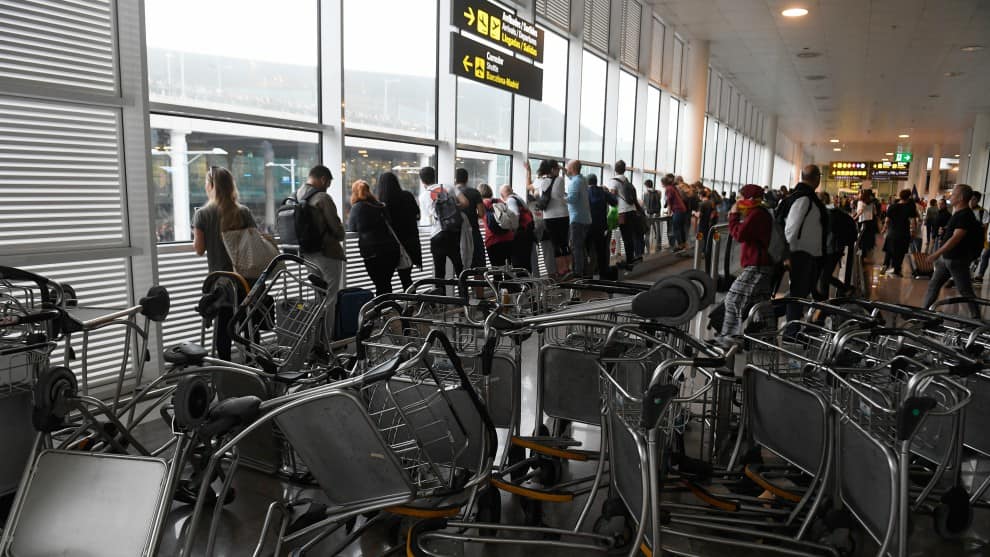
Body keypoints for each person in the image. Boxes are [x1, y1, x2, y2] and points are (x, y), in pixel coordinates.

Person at [193, 166, 259, 360]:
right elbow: (255, 242)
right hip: (246, 280)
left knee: (223, 325)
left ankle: (225, 365)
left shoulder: (202, 214)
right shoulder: (244, 212)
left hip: (221, 284)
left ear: (211, 185)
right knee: (249, 322)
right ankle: (253, 362)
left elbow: (199, 249)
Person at [292, 165, 346, 345]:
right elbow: (338, 230)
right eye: (328, 183)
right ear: (323, 179)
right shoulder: (322, 197)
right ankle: (326, 342)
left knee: (318, 298)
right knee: (330, 299)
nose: (328, 187)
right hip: (328, 254)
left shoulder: (296, 195)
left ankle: (314, 341)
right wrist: (340, 231)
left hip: (307, 255)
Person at [716, 184, 774, 345]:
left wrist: (733, 216)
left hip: (757, 265)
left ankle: (730, 337)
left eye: (741, 197)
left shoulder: (757, 214)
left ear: (750, 198)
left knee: (733, 299)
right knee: (761, 305)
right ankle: (768, 340)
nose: (739, 201)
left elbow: (739, 234)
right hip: (762, 264)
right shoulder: (760, 212)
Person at [778, 165, 828, 340]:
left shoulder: (804, 197)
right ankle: (790, 332)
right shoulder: (804, 200)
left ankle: (790, 327)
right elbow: (790, 230)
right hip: (799, 254)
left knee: (800, 293)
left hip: (805, 254)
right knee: (798, 294)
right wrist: (787, 255)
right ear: (817, 178)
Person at [922, 184, 983, 317]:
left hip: (956, 259)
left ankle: (976, 317)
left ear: (960, 198)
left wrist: (936, 253)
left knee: (965, 290)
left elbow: (956, 238)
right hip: (947, 258)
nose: (951, 196)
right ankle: (924, 312)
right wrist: (944, 231)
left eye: (954, 194)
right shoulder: (958, 213)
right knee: (934, 284)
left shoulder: (965, 215)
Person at [347, 180, 399, 296]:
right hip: (391, 249)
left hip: (373, 252)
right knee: (385, 283)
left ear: (354, 193)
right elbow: (389, 222)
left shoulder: (357, 207)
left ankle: (383, 306)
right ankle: (388, 305)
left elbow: (352, 227)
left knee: (380, 284)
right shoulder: (381, 206)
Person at [376, 171, 421, 290]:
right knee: (406, 278)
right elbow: (417, 215)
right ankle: (411, 301)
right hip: (410, 243)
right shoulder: (408, 196)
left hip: (391, 246)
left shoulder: (382, 202)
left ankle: (390, 302)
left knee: (385, 281)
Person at [421, 166, 467, 279]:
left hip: (436, 234)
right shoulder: (448, 187)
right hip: (453, 230)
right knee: (458, 266)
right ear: (434, 176)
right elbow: (465, 202)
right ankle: (463, 289)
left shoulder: (423, 196)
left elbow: (428, 218)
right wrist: (452, 210)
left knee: (439, 271)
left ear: (422, 181)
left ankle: (441, 290)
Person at [815, 191, 857, 299]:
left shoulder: (827, 213)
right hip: (835, 248)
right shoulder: (834, 211)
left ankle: (843, 291)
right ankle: (827, 300)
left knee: (824, 277)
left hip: (831, 249)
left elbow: (827, 233)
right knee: (824, 276)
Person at [534, 159, 571, 277]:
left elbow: (532, 189)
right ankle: (568, 269)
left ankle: (560, 271)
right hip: (562, 215)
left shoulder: (540, 181)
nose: (559, 171)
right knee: (564, 243)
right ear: (553, 169)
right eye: (557, 169)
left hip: (548, 217)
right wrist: (563, 169)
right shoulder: (560, 180)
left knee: (555, 244)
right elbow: (560, 195)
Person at [879, 189, 918, 277]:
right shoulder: (910, 208)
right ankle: (897, 269)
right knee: (901, 252)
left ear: (900, 196)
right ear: (908, 197)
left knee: (889, 250)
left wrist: (884, 229)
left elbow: (887, 220)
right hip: (904, 233)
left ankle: (885, 265)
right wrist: (913, 232)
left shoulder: (892, 206)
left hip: (892, 233)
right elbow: (912, 221)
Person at [587, 174, 618, 279]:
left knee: (587, 251)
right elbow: (614, 202)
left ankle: (588, 275)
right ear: (596, 181)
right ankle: (603, 274)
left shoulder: (585, 192)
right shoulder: (603, 192)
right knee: (601, 250)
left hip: (587, 226)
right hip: (601, 226)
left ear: (587, 182)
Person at [454, 168, 485, 271]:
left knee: (459, 268)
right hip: (473, 231)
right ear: (467, 179)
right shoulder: (474, 192)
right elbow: (481, 213)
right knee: (479, 266)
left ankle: (462, 282)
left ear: (455, 179)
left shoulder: (451, 192)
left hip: (456, 234)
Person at [565, 159, 591, 277]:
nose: (566, 168)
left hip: (577, 219)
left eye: (567, 167)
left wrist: (560, 198)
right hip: (586, 218)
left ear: (572, 169)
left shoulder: (575, 182)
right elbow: (573, 179)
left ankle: (578, 273)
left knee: (576, 247)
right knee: (581, 246)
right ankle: (585, 272)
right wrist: (565, 171)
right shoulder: (583, 180)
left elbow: (573, 199)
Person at [611, 161, 640, 268]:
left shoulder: (614, 180)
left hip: (623, 212)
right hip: (632, 210)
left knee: (626, 237)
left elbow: (612, 196)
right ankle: (631, 258)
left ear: (615, 169)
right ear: (624, 169)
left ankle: (629, 261)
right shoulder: (626, 180)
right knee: (630, 236)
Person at [500, 184, 534, 272]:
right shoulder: (518, 198)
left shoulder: (510, 200)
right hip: (528, 232)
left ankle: (522, 280)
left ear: (502, 195)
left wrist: (513, 229)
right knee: (526, 261)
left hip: (520, 235)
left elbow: (515, 216)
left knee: (518, 262)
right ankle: (528, 279)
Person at [479, 184, 514, 267]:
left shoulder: (482, 204)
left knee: (496, 270)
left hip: (493, 241)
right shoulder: (500, 201)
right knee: (509, 269)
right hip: (508, 239)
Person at [662, 174, 687, 253]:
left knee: (676, 228)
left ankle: (680, 246)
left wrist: (669, 212)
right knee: (681, 228)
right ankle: (683, 245)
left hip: (678, 210)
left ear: (663, 183)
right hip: (682, 209)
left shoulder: (668, 188)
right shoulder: (673, 187)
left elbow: (669, 201)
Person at [853, 190, 879, 260]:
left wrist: (854, 218)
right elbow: (875, 213)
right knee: (867, 239)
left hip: (862, 222)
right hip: (870, 222)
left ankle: (860, 255)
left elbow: (860, 211)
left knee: (861, 239)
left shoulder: (860, 202)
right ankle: (865, 254)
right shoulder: (872, 203)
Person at [642, 179, 663, 253]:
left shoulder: (646, 193)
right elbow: (659, 202)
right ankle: (658, 248)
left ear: (646, 185)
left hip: (649, 215)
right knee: (657, 231)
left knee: (647, 232)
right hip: (656, 214)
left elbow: (644, 205)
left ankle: (648, 250)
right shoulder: (658, 192)